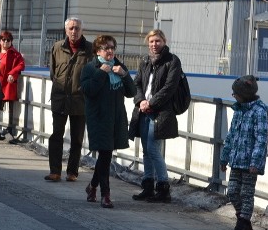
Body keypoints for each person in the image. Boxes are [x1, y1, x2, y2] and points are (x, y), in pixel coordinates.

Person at [81, 35, 136, 208]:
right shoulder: (90, 68)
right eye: (106, 48)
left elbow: (132, 91)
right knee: (105, 154)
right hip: (98, 118)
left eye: (112, 48)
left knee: (105, 156)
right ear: (98, 51)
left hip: (116, 118)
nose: (110, 51)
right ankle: (106, 194)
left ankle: (92, 186)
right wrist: (101, 73)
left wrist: (124, 74)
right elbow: (89, 91)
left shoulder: (119, 67)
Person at [129, 29, 182, 203]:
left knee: (153, 149)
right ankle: (148, 186)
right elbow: (137, 83)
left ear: (164, 41)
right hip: (144, 110)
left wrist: (152, 103)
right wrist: (141, 101)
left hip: (160, 113)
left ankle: (163, 187)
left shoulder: (172, 61)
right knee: (146, 150)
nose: (154, 44)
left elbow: (170, 87)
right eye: (151, 41)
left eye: (157, 41)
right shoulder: (145, 61)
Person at [219, 75, 268, 230]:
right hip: (236, 159)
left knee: (246, 194)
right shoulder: (239, 111)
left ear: (244, 94)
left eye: (236, 93)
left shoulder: (259, 112)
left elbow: (261, 139)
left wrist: (255, 162)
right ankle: (245, 222)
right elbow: (231, 135)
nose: (233, 96)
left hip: (250, 163)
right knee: (233, 191)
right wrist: (224, 158)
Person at [45, 17, 91, 182]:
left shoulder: (90, 49)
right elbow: (53, 73)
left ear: (82, 30)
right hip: (60, 99)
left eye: (77, 28)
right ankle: (55, 171)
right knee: (56, 135)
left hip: (80, 101)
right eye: (71, 28)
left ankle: (72, 172)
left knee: (77, 138)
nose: (74, 31)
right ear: (66, 30)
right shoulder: (57, 47)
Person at [0, 30, 25, 140]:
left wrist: (13, 73)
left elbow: (21, 64)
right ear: (0, 41)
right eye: (4, 40)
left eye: (8, 40)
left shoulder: (14, 53)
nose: (6, 42)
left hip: (6, 84)